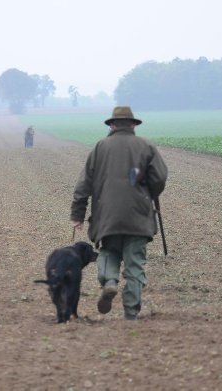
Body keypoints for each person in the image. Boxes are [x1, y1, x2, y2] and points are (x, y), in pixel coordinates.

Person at [70, 106, 168, 321]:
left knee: (108, 252)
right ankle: (131, 313)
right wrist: (147, 193)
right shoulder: (146, 146)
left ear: (112, 125)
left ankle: (110, 281)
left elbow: (83, 184)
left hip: (107, 217)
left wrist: (78, 214)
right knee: (135, 264)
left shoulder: (100, 147)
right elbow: (159, 178)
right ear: (133, 124)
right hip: (138, 216)